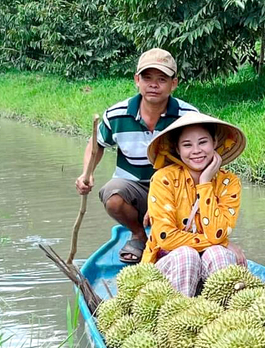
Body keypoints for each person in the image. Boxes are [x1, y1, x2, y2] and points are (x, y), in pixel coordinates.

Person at [75, 48, 198, 263]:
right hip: (135, 188)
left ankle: (178, 237)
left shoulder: (188, 117)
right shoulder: (117, 114)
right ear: (137, 80)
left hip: (176, 190)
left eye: (162, 79)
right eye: (147, 78)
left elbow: (202, 155)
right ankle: (139, 235)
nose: (153, 84)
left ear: (174, 84)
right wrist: (88, 173)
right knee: (112, 196)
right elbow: (96, 144)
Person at [141, 111, 248, 296]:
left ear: (214, 142)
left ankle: (224, 317)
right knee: (187, 255)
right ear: (177, 149)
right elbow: (167, 238)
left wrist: (205, 183)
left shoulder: (229, 182)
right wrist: (223, 243)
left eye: (203, 142)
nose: (196, 150)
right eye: (187, 145)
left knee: (218, 254)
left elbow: (217, 234)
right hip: (168, 268)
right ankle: (179, 317)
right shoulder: (163, 179)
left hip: (209, 264)